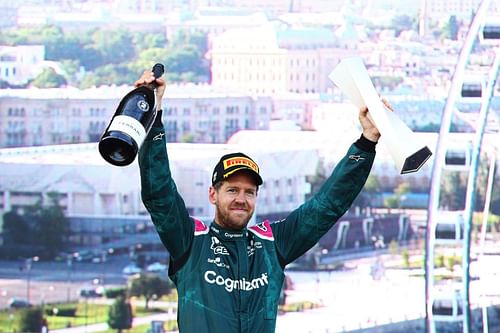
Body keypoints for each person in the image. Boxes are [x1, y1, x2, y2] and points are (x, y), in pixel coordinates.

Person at [136, 69, 382, 333]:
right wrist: (152, 113)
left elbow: (327, 205)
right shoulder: (190, 242)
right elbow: (159, 193)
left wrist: (366, 143)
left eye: (249, 192)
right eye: (232, 190)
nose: (241, 199)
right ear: (212, 194)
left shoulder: (272, 245)